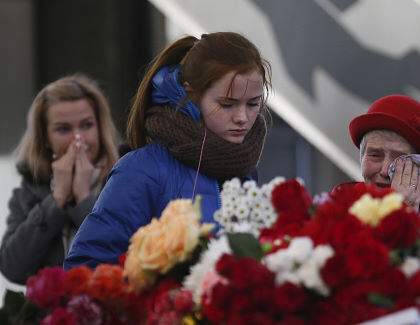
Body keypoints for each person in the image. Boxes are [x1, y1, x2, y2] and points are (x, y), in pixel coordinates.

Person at [64, 32, 271, 269]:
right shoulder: (139, 170)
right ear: (189, 96)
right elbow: (85, 267)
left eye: (253, 103)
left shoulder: (245, 170)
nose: (243, 118)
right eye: (227, 104)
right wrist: (160, 294)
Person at [0, 74, 120, 284]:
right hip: (53, 315)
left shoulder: (124, 180)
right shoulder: (29, 190)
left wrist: (84, 200)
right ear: (45, 139)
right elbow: (11, 268)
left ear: (100, 128)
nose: (78, 139)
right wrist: (57, 199)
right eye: (63, 129)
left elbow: (124, 257)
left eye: (87, 125)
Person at [340, 94, 420, 221]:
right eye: (375, 155)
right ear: (362, 157)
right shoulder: (338, 206)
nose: (384, 171)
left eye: (399, 159)